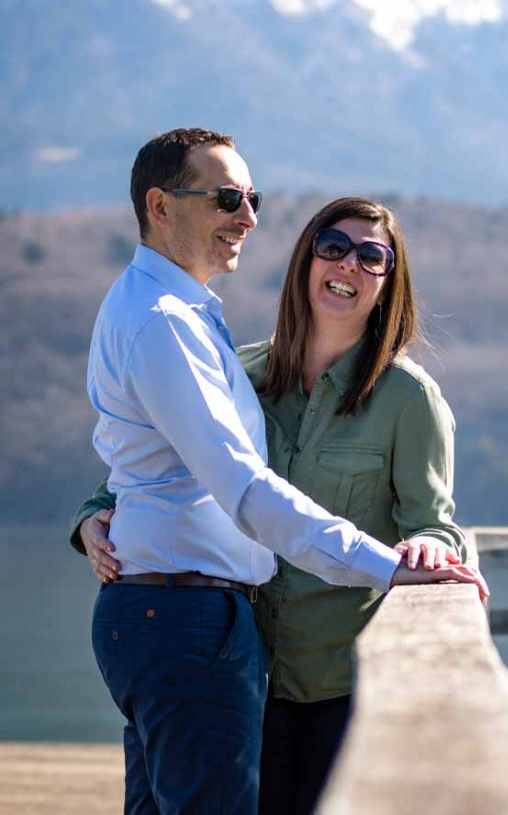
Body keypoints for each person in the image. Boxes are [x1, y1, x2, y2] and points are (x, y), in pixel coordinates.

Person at [74, 128, 486, 815]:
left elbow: (432, 523)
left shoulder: (408, 400)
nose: (347, 264)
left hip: (333, 677)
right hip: (233, 651)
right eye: (332, 246)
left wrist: (425, 556)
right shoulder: (229, 360)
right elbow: (191, 468)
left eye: (370, 256)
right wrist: (91, 514)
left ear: (389, 282)